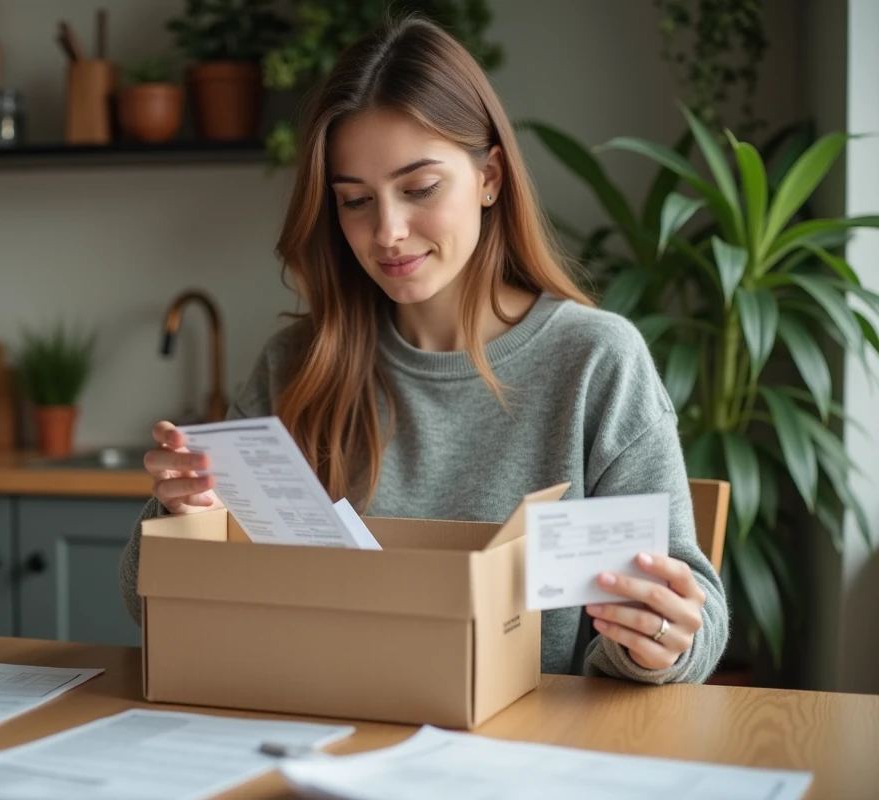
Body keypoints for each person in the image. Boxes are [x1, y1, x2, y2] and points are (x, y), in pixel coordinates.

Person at [119, 15, 728, 684]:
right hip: (321, 733)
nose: (388, 232)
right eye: (354, 201)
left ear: (490, 176)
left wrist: (659, 639)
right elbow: (143, 603)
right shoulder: (296, 365)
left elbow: (691, 619)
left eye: (419, 189)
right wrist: (187, 520)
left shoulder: (596, 363)